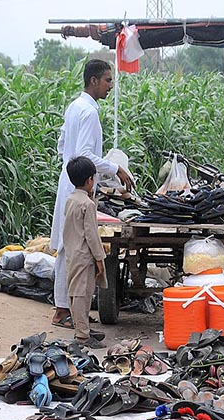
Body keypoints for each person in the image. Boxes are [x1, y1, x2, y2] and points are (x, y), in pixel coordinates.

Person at [49, 59, 134, 329]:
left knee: (67, 246)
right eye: (108, 80)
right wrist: (114, 169)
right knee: (74, 249)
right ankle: (65, 311)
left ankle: (64, 307)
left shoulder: (75, 107)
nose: (111, 85)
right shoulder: (89, 113)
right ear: (94, 81)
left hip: (70, 180)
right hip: (78, 183)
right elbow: (84, 154)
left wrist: (73, 172)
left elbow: (64, 146)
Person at [62, 156, 108, 348]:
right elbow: (91, 235)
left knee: (74, 292)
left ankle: (82, 328)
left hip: (72, 253)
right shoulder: (87, 205)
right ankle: (82, 335)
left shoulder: (71, 200)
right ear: (90, 180)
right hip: (84, 254)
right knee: (83, 293)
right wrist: (100, 258)